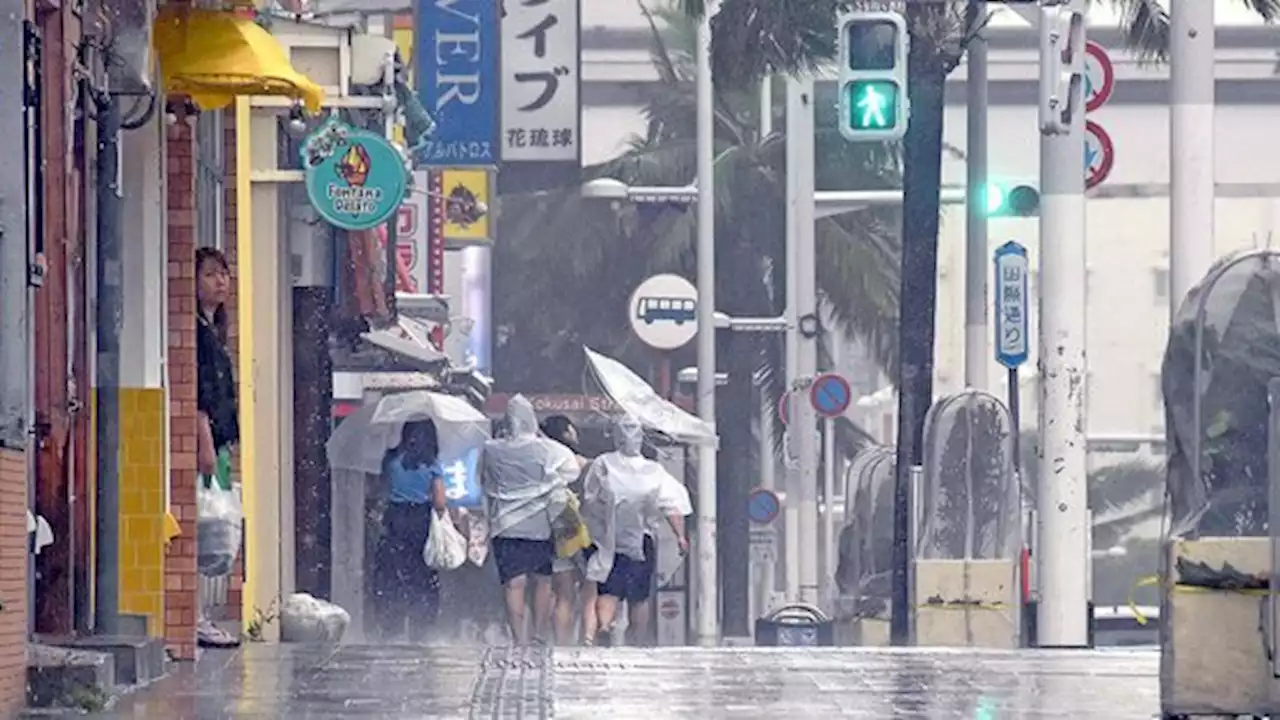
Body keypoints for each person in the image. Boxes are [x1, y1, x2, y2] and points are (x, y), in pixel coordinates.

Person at [580, 415, 688, 647]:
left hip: (608, 539)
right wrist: (680, 536)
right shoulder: (654, 470)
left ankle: (604, 626)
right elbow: (671, 505)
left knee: (608, 589)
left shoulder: (603, 463)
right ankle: (638, 640)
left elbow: (589, 499)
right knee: (639, 596)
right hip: (642, 539)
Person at [481, 396, 577, 644]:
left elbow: (482, 478)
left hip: (505, 525)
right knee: (542, 581)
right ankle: (538, 634)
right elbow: (572, 470)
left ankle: (518, 639)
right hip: (539, 526)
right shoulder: (547, 449)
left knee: (514, 585)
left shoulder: (491, 449)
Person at [195, 247, 241, 649]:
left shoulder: (214, 330)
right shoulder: (196, 333)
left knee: (213, 529)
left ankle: (201, 614)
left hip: (220, 443)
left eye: (224, 274)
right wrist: (205, 442)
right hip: (205, 446)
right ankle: (193, 616)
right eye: (210, 274)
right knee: (202, 527)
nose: (220, 281)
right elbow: (199, 395)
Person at [372, 420, 448, 641]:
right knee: (422, 574)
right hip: (420, 520)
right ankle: (420, 625)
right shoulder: (431, 463)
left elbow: (381, 488)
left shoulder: (391, 459)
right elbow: (440, 502)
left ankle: (392, 622)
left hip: (394, 518)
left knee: (392, 571)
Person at [539, 415, 592, 645]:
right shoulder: (577, 462)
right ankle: (563, 643)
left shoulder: (539, 458)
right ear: (566, 433)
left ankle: (541, 637)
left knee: (543, 586)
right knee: (565, 591)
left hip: (539, 526)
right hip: (569, 528)